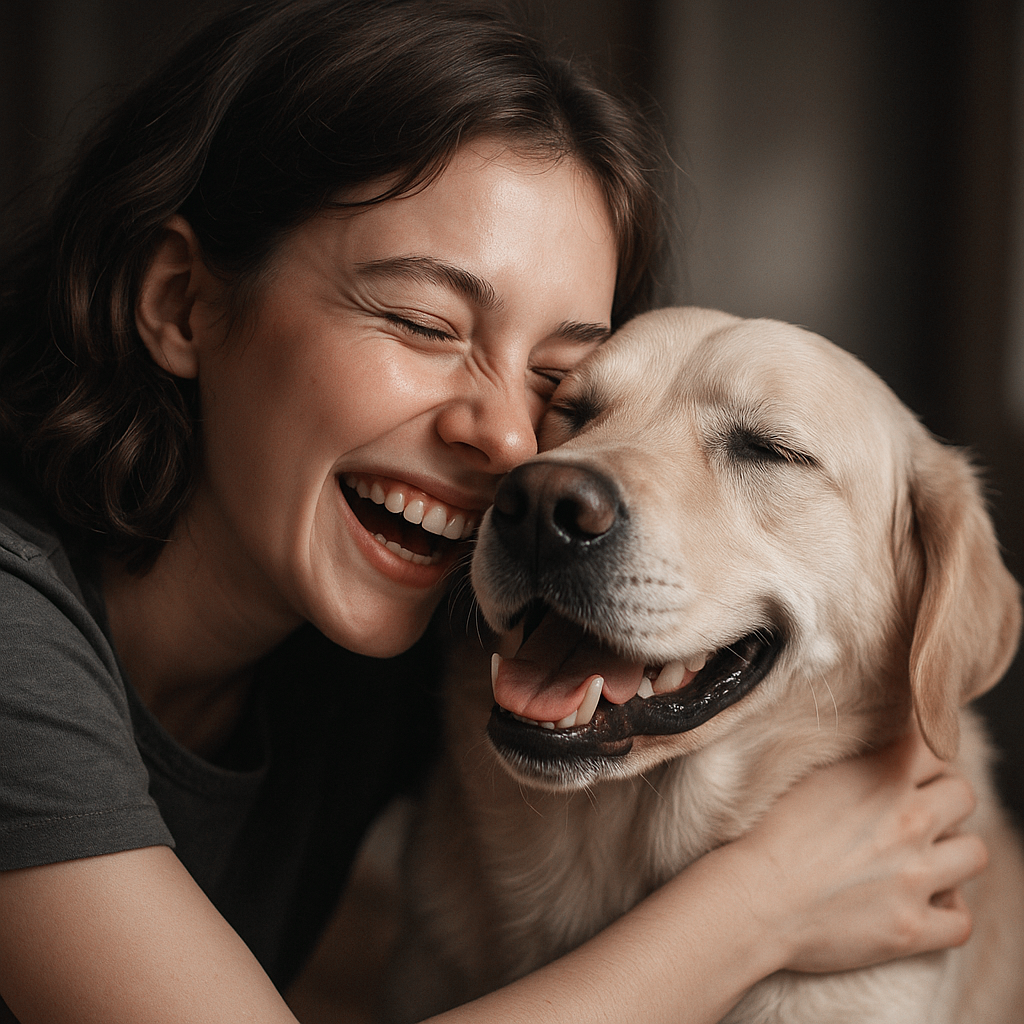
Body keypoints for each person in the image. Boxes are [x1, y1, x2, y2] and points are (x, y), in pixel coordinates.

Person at [0, 2, 987, 1022]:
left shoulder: (381, 646)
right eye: (424, 323)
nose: (518, 449)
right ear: (180, 302)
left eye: (556, 380)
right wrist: (764, 902)